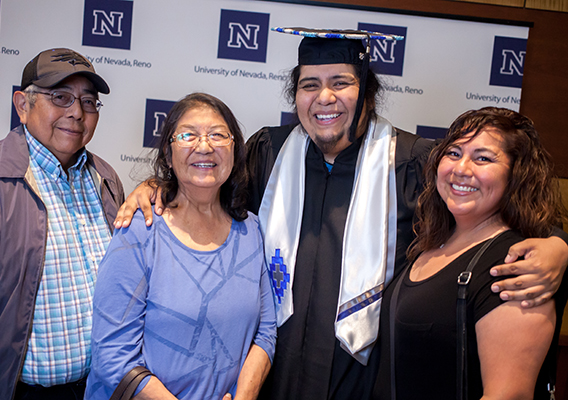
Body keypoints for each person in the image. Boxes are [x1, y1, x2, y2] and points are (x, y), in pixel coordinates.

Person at [113, 29, 568, 400]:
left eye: (341, 83)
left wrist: (557, 245)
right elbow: (203, 193)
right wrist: (156, 185)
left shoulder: (411, 161)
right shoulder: (269, 152)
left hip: (363, 382)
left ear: (366, 92)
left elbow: (498, 213)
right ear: (297, 95)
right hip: (268, 378)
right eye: (310, 85)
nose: (324, 97)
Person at [84, 93, 276, 400]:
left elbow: (266, 331)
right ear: (168, 152)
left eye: (217, 134)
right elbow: (112, 355)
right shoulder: (140, 231)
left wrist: (244, 396)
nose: (204, 146)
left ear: (234, 149)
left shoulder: (250, 230)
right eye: (188, 135)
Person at [372, 107, 568, 399]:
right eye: (453, 153)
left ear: (517, 174)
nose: (461, 169)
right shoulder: (431, 240)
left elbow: (507, 395)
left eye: (483, 158)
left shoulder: (517, 266)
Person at [0, 48, 124, 400]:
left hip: (98, 388)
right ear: (23, 105)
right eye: (61, 97)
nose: (76, 113)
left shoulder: (105, 177)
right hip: (17, 392)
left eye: (88, 102)